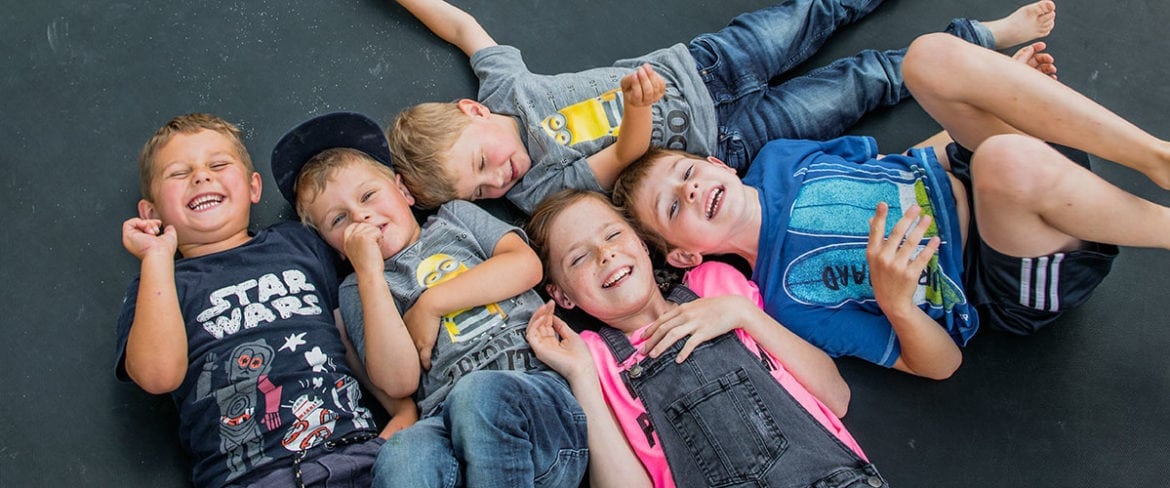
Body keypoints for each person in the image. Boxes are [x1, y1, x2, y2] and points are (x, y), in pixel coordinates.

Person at [613, 32, 1170, 381]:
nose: (688, 190)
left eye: (687, 173)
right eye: (671, 207)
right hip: (1009, 268)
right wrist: (898, 303)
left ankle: (1156, 157)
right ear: (687, 256)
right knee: (1005, 163)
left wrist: (1003, 93)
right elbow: (938, 365)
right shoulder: (788, 300)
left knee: (928, 58)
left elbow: (902, 161)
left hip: (1001, 171)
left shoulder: (781, 157)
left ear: (718, 165)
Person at [387, 0, 1057, 213]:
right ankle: (987, 41)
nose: (495, 178)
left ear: (473, 113)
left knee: (814, 10)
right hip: (735, 141)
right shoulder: (536, 191)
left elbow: (459, 25)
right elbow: (624, 156)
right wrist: (635, 105)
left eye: (482, 162)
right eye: (479, 190)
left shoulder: (503, 88)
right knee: (866, 83)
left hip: (706, 64)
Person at [268, 111, 589, 488]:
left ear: (403, 192)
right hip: (447, 425)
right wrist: (370, 273)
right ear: (335, 247)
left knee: (479, 391)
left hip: (537, 398)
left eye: (368, 195)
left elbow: (526, 266)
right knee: (404, 451)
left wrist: (431, 304)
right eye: (339, 220)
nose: (362, 216)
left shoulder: (456, 218)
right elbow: (399, 381)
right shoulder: (357, 290)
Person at [115, 113, 413, 488]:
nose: (201, 176)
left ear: (254, 187)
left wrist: (400, 411)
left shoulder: (298, 243)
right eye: (179, 173)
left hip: (357, 455)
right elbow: (159, 377)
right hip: (252, 477)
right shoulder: (160, 284)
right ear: (151, 212)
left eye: (218, 164)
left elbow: (347, 327)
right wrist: (156, 256)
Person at [522, 189, 886, 487]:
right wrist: (581, 378)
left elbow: (837, 397)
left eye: (613, 234)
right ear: (563, 297)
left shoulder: (715, 285)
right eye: (579, 258)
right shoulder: (594, 358)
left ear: (643, 244)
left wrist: (744, 314)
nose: (606, 254)